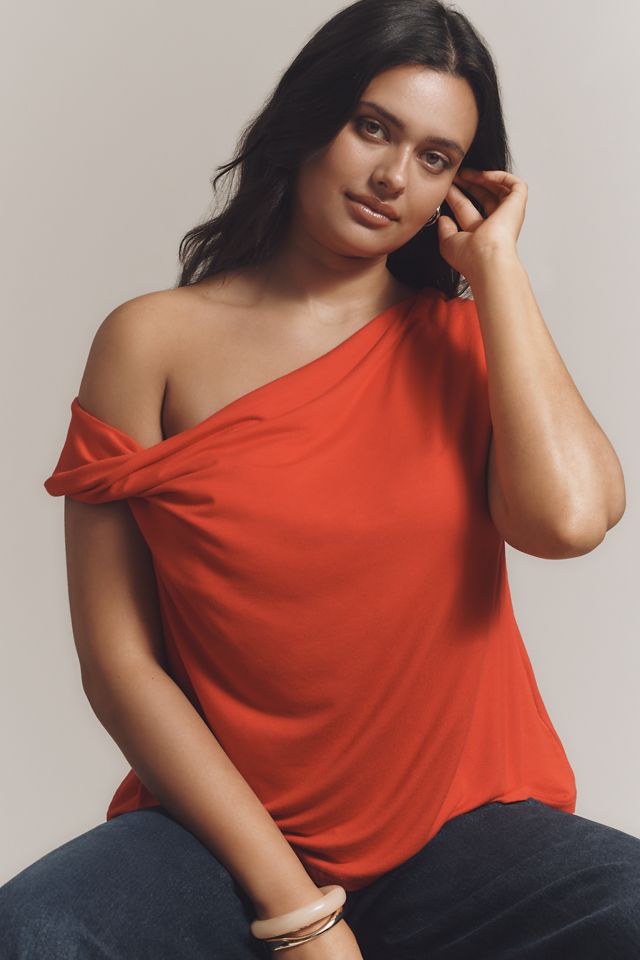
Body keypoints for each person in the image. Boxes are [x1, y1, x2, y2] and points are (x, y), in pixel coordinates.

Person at [2, 0, 638, 957]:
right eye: (372, 128)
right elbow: (119, 663)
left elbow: (571, 520)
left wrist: (496, 270)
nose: (393, 177)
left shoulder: (465, 345)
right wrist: (301, 915)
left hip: (459, 838)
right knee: (36, 931)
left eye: (435, 158)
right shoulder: (151, 343)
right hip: (222, 839)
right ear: (310, 119)